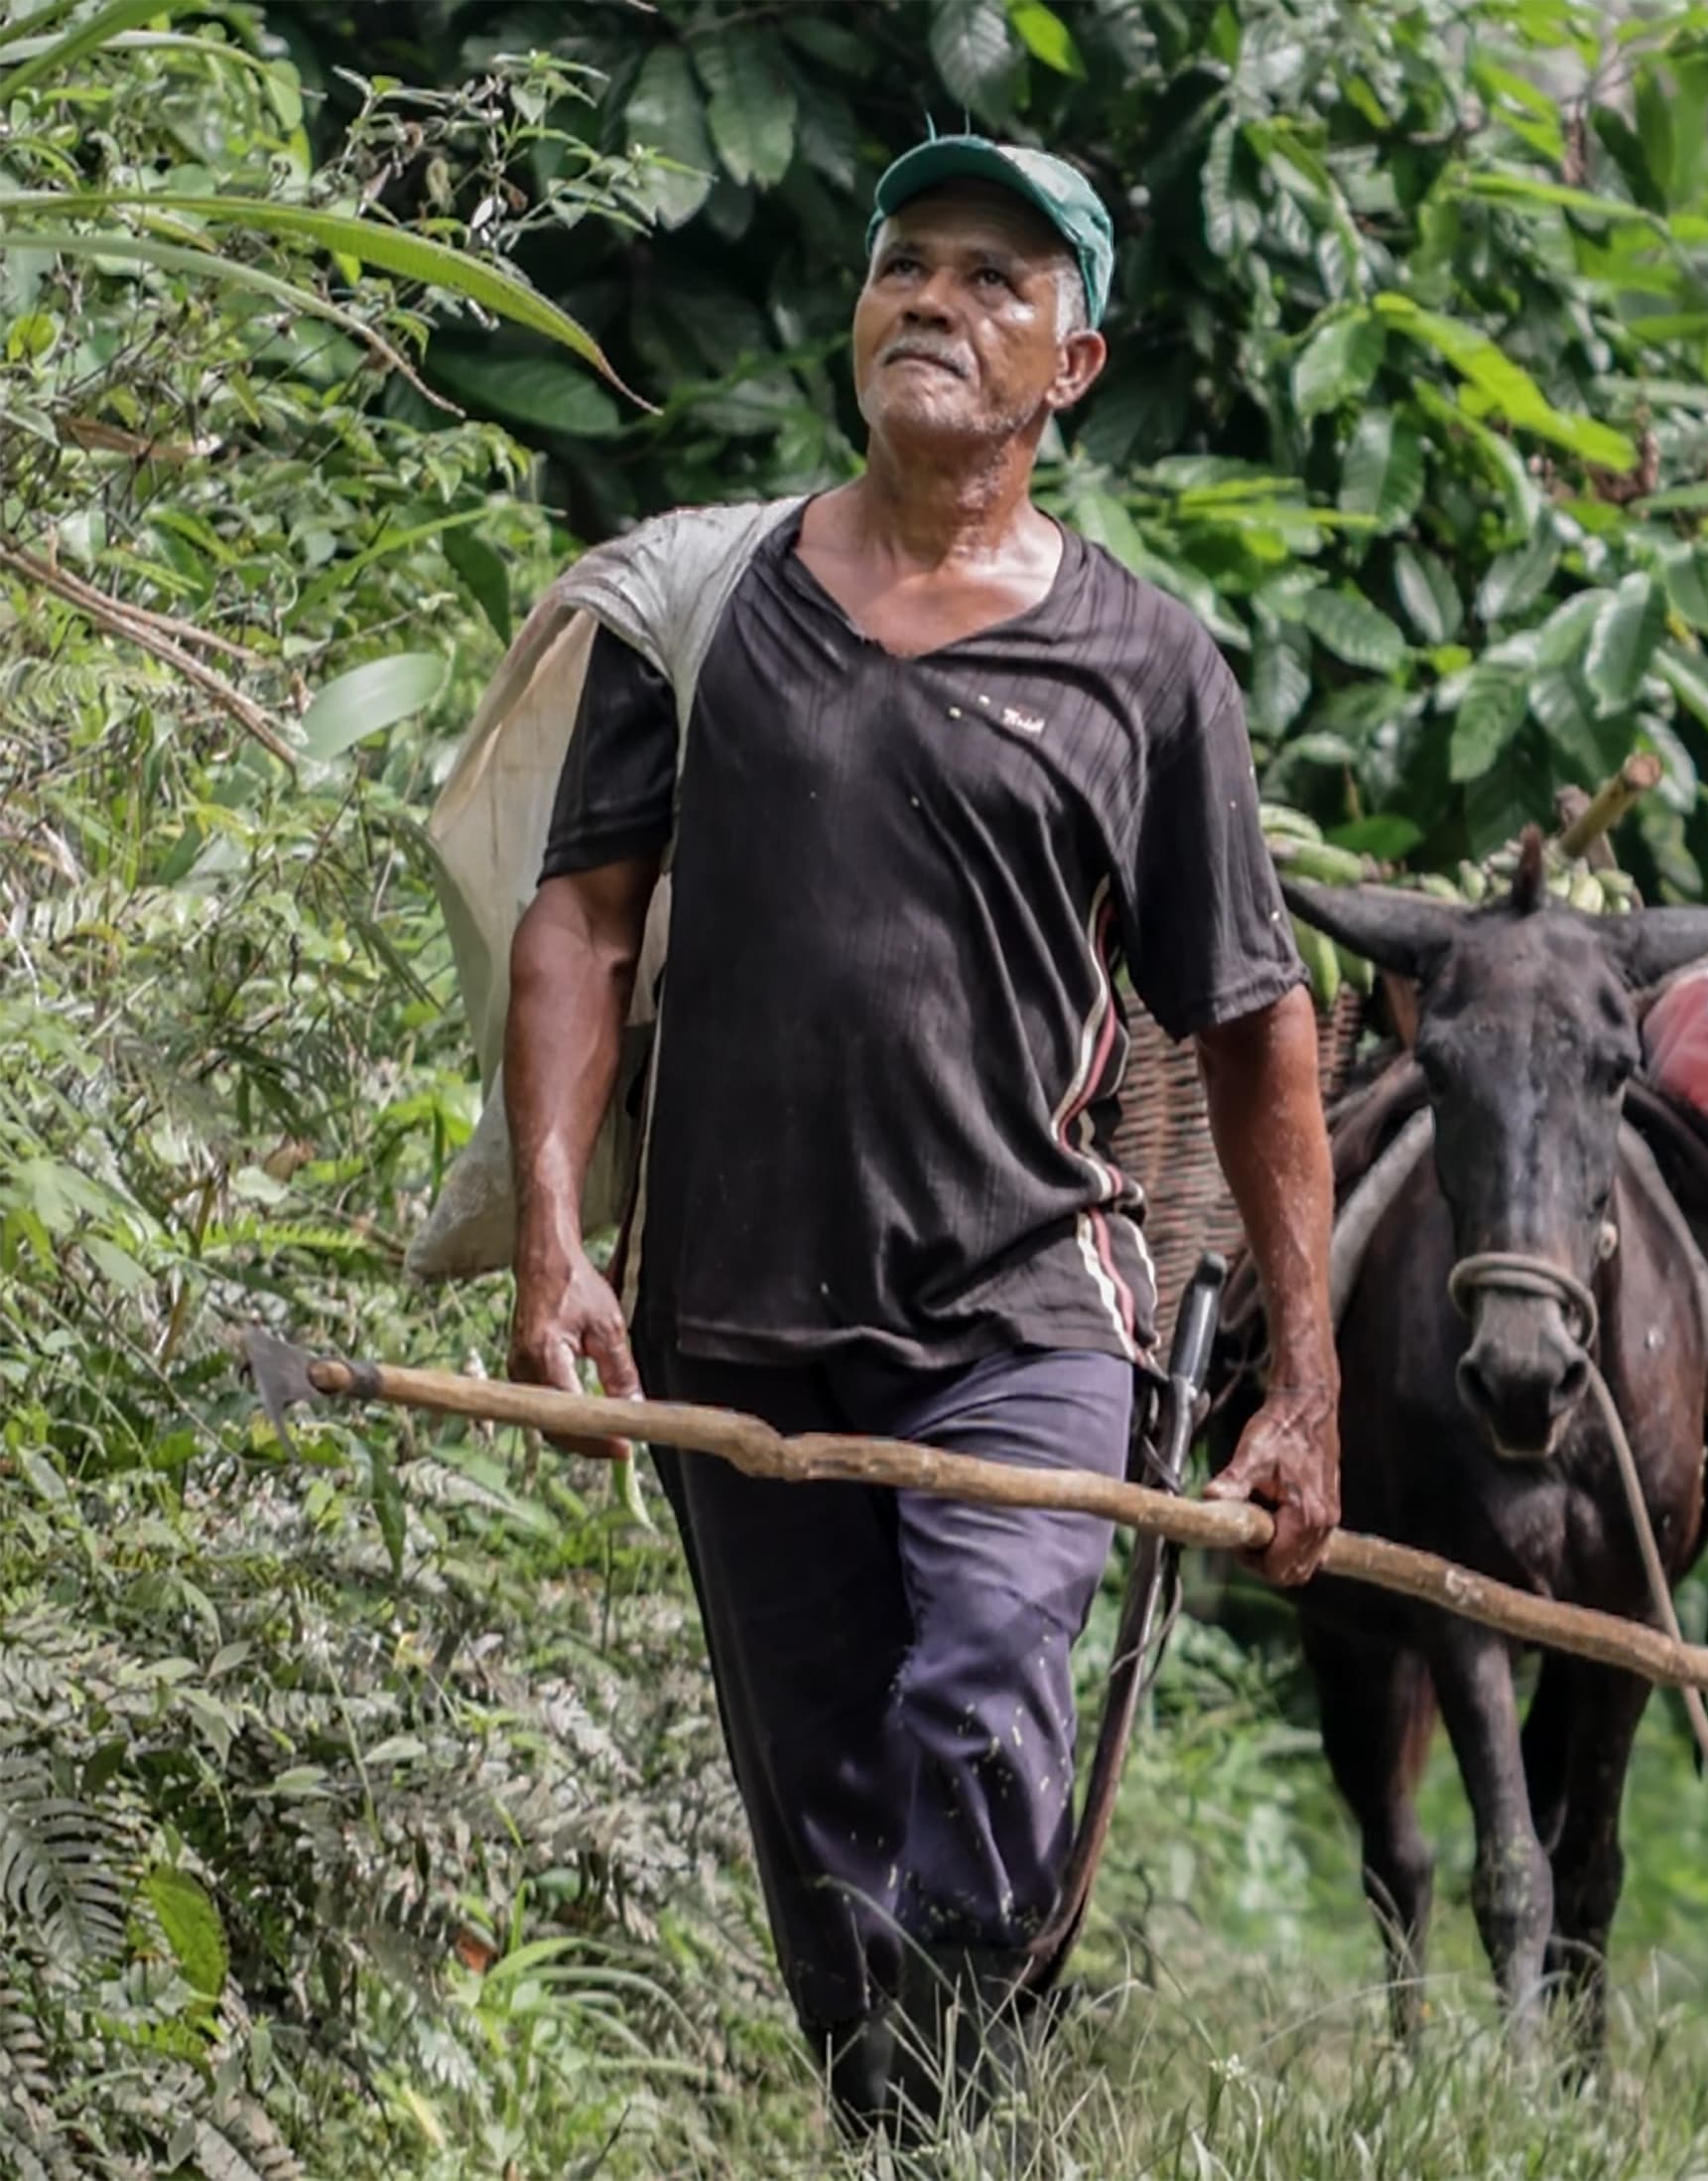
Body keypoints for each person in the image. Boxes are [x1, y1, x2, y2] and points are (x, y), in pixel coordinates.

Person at [499, 137, 1344, 2142]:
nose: (931, 303)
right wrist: (555, 1233)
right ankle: (921, 2129)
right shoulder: (703, 611)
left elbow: (1252, 1019)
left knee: (979, 1707)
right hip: (733, 1320)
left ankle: (958, 2095)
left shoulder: (1147, 670)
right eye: (904, 266)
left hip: (1023, 1311)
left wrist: (1302, 1376)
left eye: (992, 279)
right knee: (822, 1820)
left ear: (1076, 360)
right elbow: (584, 922)